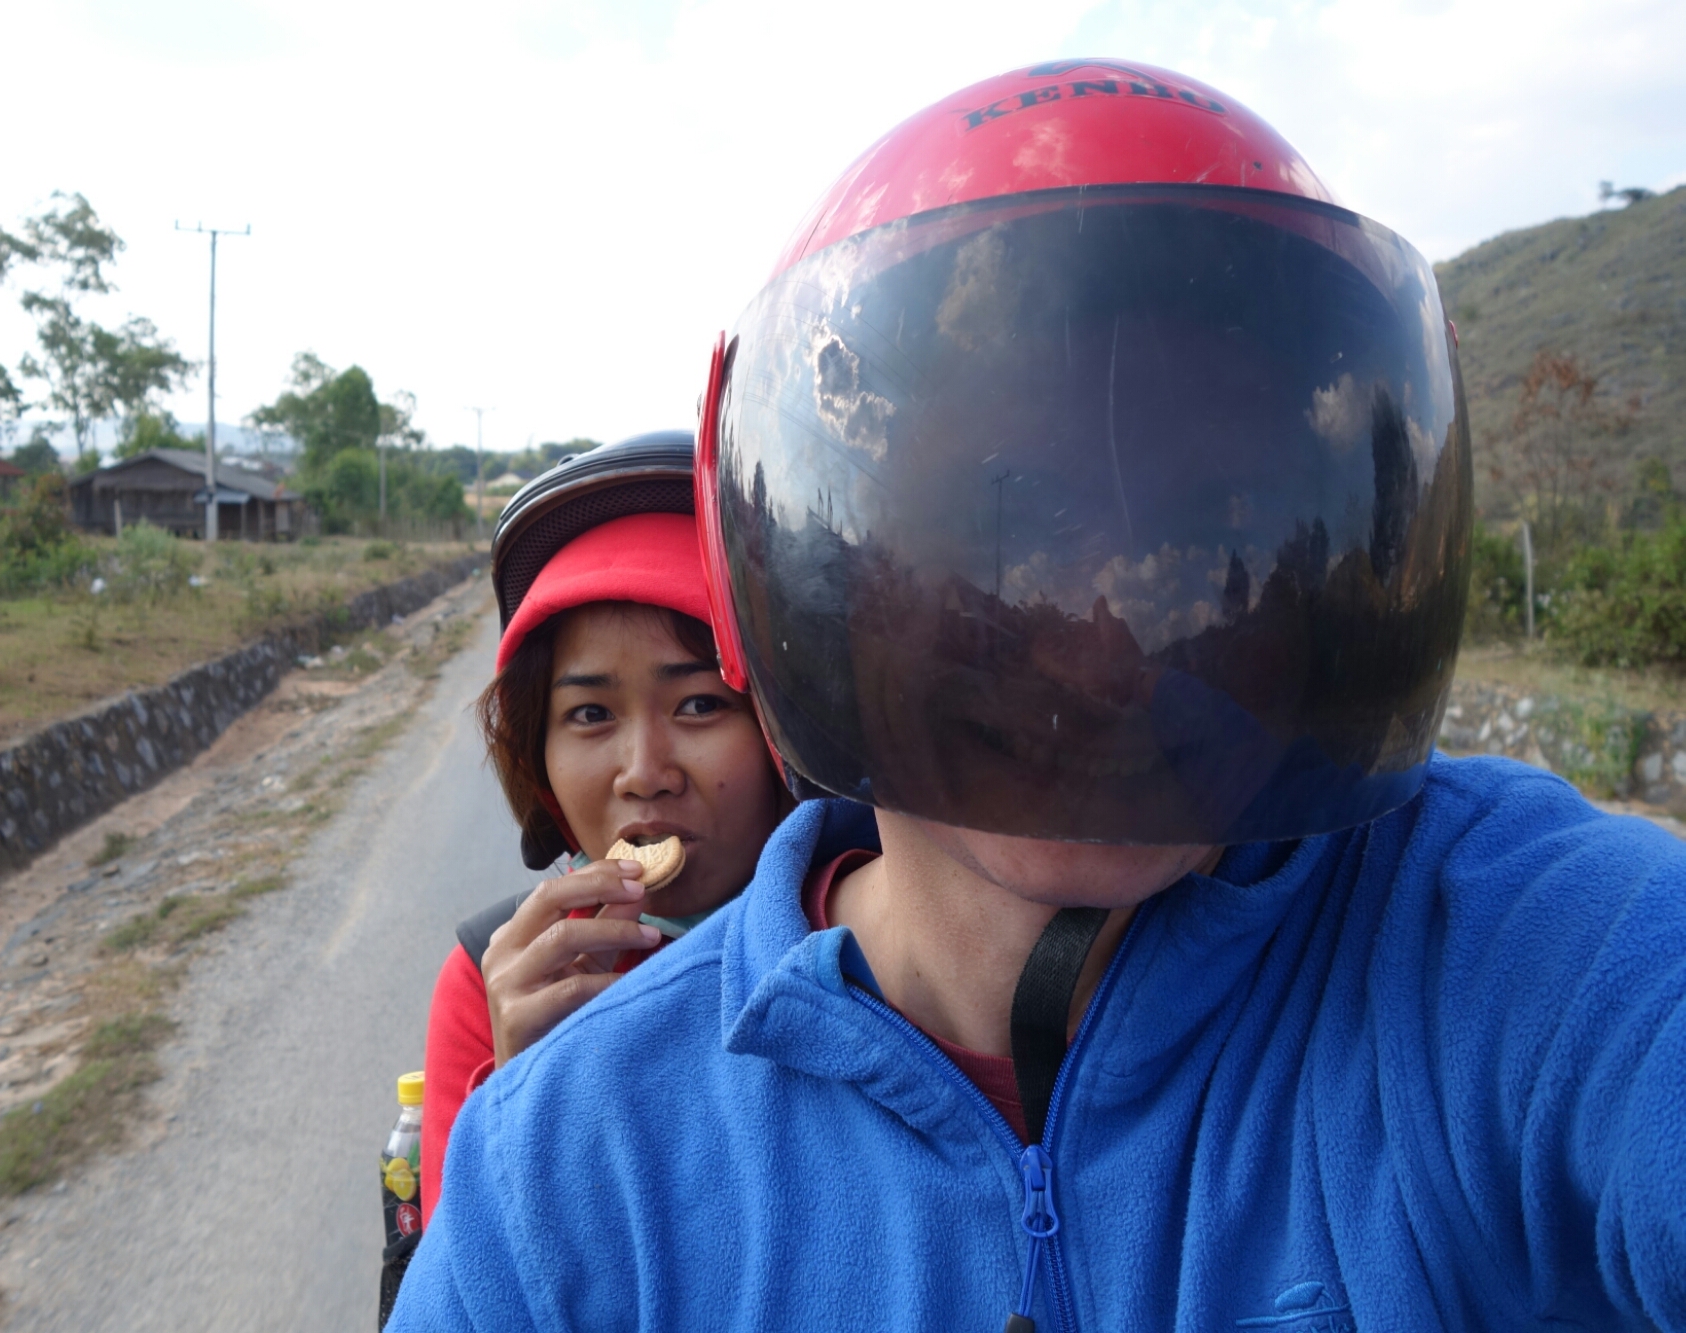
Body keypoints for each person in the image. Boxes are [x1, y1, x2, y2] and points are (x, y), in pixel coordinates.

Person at [390, 61, 1686, 1331]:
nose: (1108, 661)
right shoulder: (565, 1176)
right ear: (819, 575)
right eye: (1011, 529)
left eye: (1213, 535)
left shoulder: (1502, 948)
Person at [418, 431, 785, 1218]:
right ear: (537, 758)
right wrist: (523, 1094)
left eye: (700, 703)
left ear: (782, 729)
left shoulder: (879, 943)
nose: (644, 771)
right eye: (590, 713)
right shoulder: (496, 986)